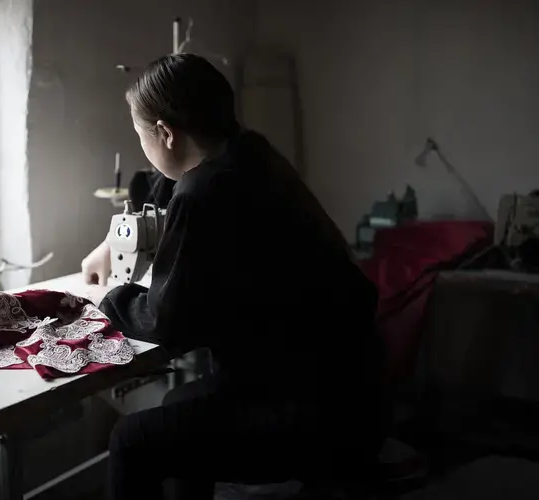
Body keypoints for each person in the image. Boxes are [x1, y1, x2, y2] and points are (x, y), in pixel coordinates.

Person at [81, 54, 387, 500]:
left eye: (140, 135)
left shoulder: (203, 194)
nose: (141, 146)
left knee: (131, 439)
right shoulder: (250, 154)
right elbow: (164, 185)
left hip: (304, 409)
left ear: (165, 133)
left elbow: (168, 323)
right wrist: (112, 243)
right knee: (176, 404)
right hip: (357, 386)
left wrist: (112, 297)